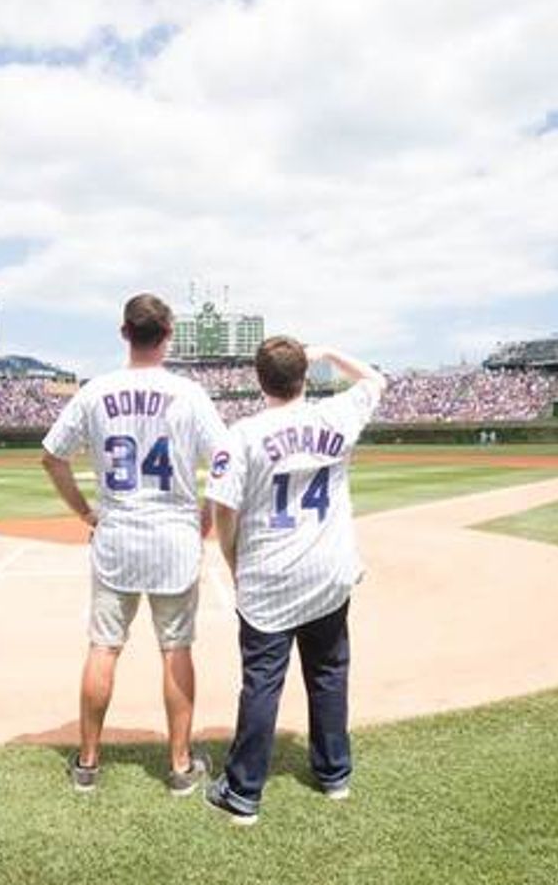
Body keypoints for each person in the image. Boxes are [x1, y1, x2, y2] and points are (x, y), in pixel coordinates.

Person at [40, 293, 228, 796]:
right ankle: (181, 767)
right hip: (173, 537)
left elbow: (52, 458)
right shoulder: (189, 394)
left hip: (117, 534)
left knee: (104, 647)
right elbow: (228, 460)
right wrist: (209, 507)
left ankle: (87, 764)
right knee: (176, 650)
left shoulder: (95, 391)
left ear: (125, 333)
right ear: (167, 334)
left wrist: (84, 512)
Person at [204, 338, 386, 826]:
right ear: (303, 377)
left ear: (259, 381)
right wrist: (330, 353)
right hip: (329, 572)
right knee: (328, 673)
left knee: (262, 682)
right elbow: (375, 379)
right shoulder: (336, 416)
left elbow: (223, 508)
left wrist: (231, 557)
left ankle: (243, 794)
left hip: (269, 576)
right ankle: (334, 776)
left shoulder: (241, 434)